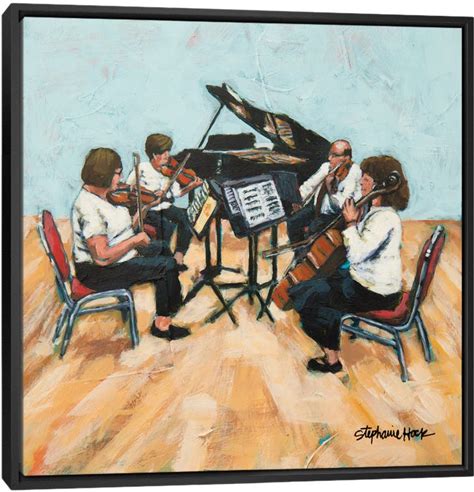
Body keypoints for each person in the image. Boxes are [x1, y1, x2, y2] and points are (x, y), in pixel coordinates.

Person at [288, 155, 410, 373]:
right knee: (315, 287)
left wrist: (352, 222)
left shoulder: (385, 218)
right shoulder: (377, 212)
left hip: (375, 292)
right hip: (365, 282)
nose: (361, 182)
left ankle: (332, 360)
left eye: (366, 179)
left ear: (379, 185)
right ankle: (331, 351)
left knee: (308, 296)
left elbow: (356, 255)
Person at [72, 147, 190, 340]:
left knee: (161, 247)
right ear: (104, 175)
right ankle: (162, 324)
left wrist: (146, 207)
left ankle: (170, 304)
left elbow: (121, 229)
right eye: (117, 173)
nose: (120, 179)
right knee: (167, 265)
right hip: (98, 272)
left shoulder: (103, 195)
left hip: (116, 259)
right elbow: (102, 257)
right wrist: (135, 240)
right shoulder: (88, 208)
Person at [126, 134, 202, 267]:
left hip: (165, 206)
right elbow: (130, 188)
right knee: (167, 227)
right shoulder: (142, 168)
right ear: (154, 155)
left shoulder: (169, 171)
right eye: (163, 152)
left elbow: (177, 193)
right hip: (149, 209)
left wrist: (191, 186)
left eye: (168, 151)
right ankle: (164, 261)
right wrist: (150, 195)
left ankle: (179, 255)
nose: (168, 155)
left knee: (186, 218)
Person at [287, 139, 361, 255]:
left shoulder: (354, 172)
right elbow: (310, 185)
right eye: (330, 154)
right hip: (316, 207)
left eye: (334, 155)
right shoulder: (326, 167)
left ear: (346, 158)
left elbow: (343, 205)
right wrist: (298, 200)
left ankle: (307, 257)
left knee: (312, 230)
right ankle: (298, 254)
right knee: (292, 223)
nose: (329, 158)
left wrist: (330, 188)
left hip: (333, 215)